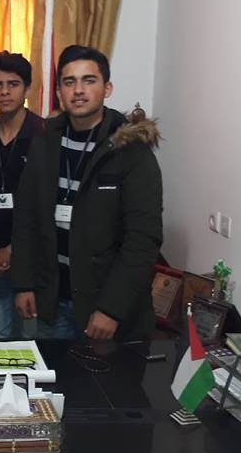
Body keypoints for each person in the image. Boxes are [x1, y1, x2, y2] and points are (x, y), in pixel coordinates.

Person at [11, 45, 163, 341]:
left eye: (88, 80)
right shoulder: (45, 141)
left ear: (107, 88)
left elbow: (143, 239)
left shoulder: (131, 150)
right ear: (59, 92)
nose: (78, 90)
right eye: (69, 82)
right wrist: (23, 283)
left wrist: (111, 309)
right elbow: (26, 217)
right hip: (52, 299)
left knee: (101, 373)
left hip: (104, 307)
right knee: (52, 371)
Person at [0, 52, 44, 339]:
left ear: (27, 89)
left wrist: (14, 250)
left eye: (13, 84)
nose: (4, 91)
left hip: (33, 259)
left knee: (30, 340)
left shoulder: (44, 135)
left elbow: (46, 205)